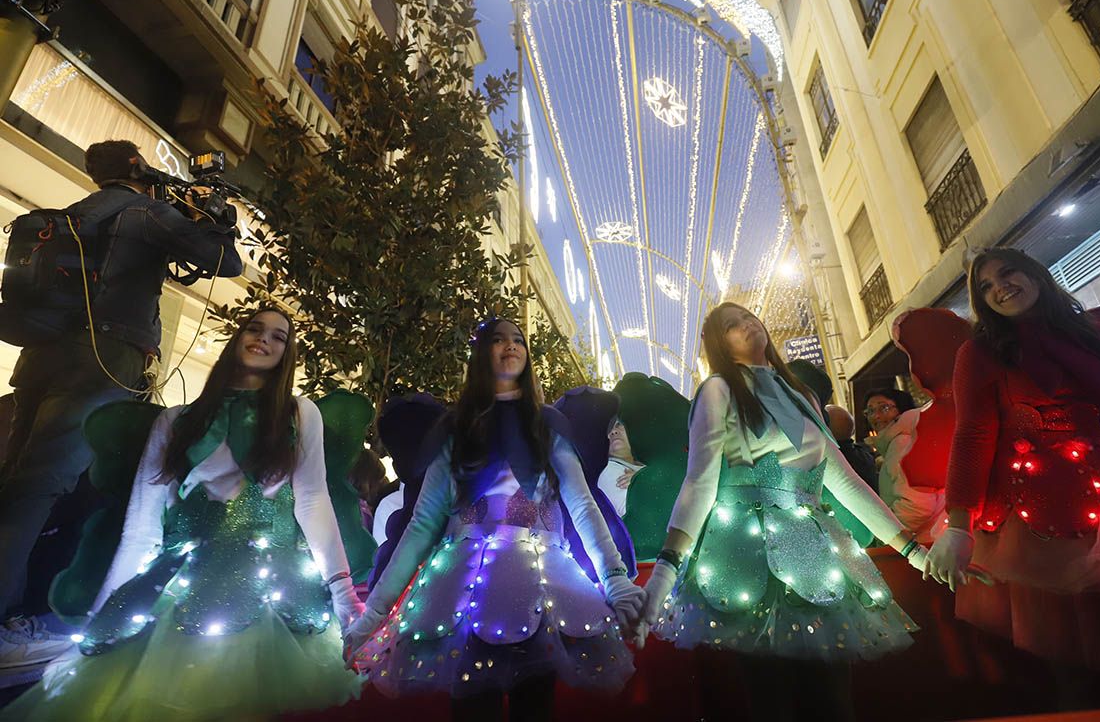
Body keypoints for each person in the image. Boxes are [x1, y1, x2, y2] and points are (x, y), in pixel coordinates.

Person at [1, 306, 363, 721]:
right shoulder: (176, 421)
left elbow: (313, 500)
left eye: (279, 336)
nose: (264, 339)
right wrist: (105, 608)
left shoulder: (300, 413)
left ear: (287, 353)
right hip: (182, 587)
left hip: (275, 595)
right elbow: (142, 526)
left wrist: (343, 591)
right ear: (236, 338)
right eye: (255, 328)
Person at [0, 140, 242, 670]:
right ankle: (5, 625)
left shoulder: (71, 215)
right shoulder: (144, 211)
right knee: (45, 483)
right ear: (138, 166)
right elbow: (224, 261)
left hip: (41, 357)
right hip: (104, 359)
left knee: (18, 476)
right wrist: (215, 214)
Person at [638, 302, 934, 721]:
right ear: (718, 346)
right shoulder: (718, 389)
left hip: (815, 557)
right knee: (771, 701)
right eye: (731, 326)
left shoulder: (801, 394)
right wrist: (666, 571)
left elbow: (845, 480)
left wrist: (913, 551)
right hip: (746, 561)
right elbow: (699, 482)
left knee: (833, 701)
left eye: (748, 316)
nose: (747, 324)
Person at [925, 248, 1100, 694]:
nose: (999, 287)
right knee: (1079, 665)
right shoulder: (981, 352)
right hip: (1045, 519)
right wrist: (959, 525)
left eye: (1007, 272)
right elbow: (973, 436)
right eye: (985, 286)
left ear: (1035, 271)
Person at [343, 318, 643, 722]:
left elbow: (582, 505)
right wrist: (374, 614)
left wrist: (616, 580)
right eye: (498, 339)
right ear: (481, 354)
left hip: (540, 588)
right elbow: (421, 526)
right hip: (463, 591)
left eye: (518, 340)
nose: (510, 346)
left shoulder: (548, 427)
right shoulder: (453, 431)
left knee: (534, 708)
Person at [868, 388, 946, 543]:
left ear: (901, 409)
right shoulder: (909, 437)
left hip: (925, 543)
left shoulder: (901, 442)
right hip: (936, 537)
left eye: (884, 407)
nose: (876, 416)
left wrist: (888, 534)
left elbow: (918, 505)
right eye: (870, 411)